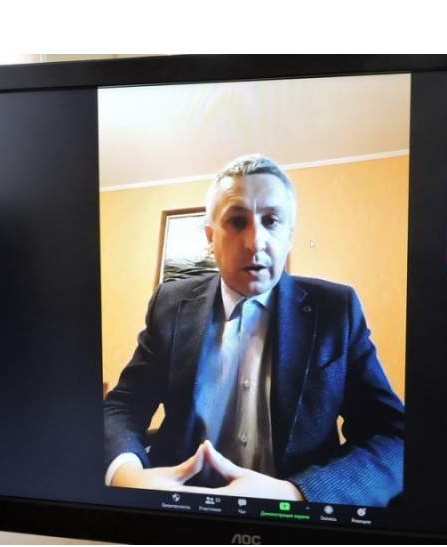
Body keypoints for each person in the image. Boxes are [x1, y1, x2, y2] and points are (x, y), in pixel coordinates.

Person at [103, 154, 404, 506]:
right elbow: (123, 407)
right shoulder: (170, 304)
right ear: (211, 236)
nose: (255, 242)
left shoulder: (337, 310)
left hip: (293, 523)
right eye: (237, 221)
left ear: (290, 236)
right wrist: (126, 474)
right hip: (182, 514)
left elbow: (393, 437)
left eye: (271, 221)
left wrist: (296, 494)